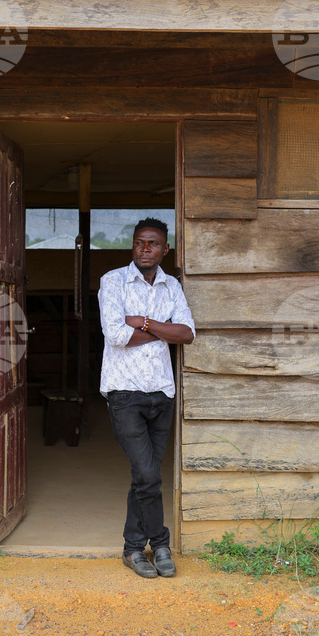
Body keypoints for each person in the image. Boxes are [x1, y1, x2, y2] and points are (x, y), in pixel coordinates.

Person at [98, 217, 195, 578]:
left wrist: (141, 322)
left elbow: (185, 333)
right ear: (133, 246)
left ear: (164, 249)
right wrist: (160, 329)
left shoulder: (172, 287)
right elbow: (115, 335)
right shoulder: (113, 282)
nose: (145, 249)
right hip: (124, 392)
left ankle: (133, 549)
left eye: (153, 243)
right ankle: (161, 543)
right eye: (140, 242)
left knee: (146, 476)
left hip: (161, 391)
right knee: (147, 473)